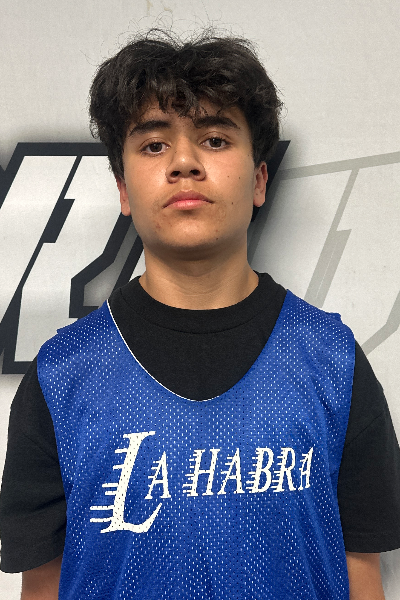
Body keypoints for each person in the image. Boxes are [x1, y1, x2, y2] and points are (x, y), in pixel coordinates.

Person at [1, 27, 400, 600]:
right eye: (154, 145)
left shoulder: (331, 362)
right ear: (122, 188)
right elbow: (41, 586)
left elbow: (362, 573)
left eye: (214, 139)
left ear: (259, 179)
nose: (184, 162)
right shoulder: (62, 377)